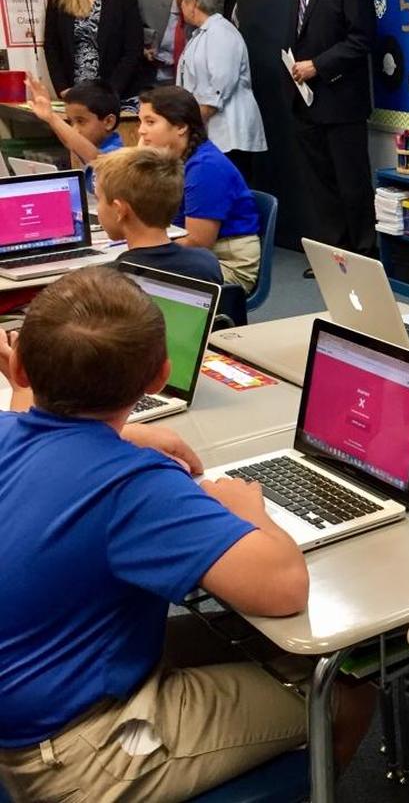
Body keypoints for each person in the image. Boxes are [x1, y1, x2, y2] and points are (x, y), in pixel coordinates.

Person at [0, 267, 373, 799]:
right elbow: (284, 586)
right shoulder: (132, 487)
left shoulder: (9, 429)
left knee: (258, 644)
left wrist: (123, 434)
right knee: (346, 690)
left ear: (21, 367)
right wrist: (249, 510)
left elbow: (32, 425)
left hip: (29, 704)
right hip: (78, 752)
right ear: (159, 377)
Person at [289, 0, 377, 266]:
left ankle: (364, 257)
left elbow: (362, 38)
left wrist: (319, 65)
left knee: (352, 183)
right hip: (306, 100)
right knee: (321, 185)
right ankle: (335, 257)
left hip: (341, 100)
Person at [138, 86, 262, 292]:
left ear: (180, 127)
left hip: (225, 264)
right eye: (141, 121)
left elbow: (198, 242)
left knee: (128, 285)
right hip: (195, 257)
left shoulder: (206, 168)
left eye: (150, 122)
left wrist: (146, 252)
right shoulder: (174, 160)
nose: (141, 130)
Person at [176, 0, 266, 180]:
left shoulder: (221, 33)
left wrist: (187, 128)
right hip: (211, 135)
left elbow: (216, 92)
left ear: (194, 1)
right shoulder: (201, 34)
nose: (180, 6)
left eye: (182, 1)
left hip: (229, 137)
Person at [94, 146, 223, 283]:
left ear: (119, 210)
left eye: (98, 199)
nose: (97, 208)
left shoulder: (104, 280)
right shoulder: (207, 264)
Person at [44, 0, 143, 100]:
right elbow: (51, 46)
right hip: (73, 95)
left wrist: (110, 92)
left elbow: (133, 51)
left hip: (115, 96)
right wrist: (62, 88)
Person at [25, 77, 123, 195]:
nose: (74, 130)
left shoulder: (116, 153)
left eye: (81, 121)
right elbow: (70, 143)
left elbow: (96, 158)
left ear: (108, 122)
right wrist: (49, 117)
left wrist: (52, 117)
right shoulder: (90, 146)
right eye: (71, 122)